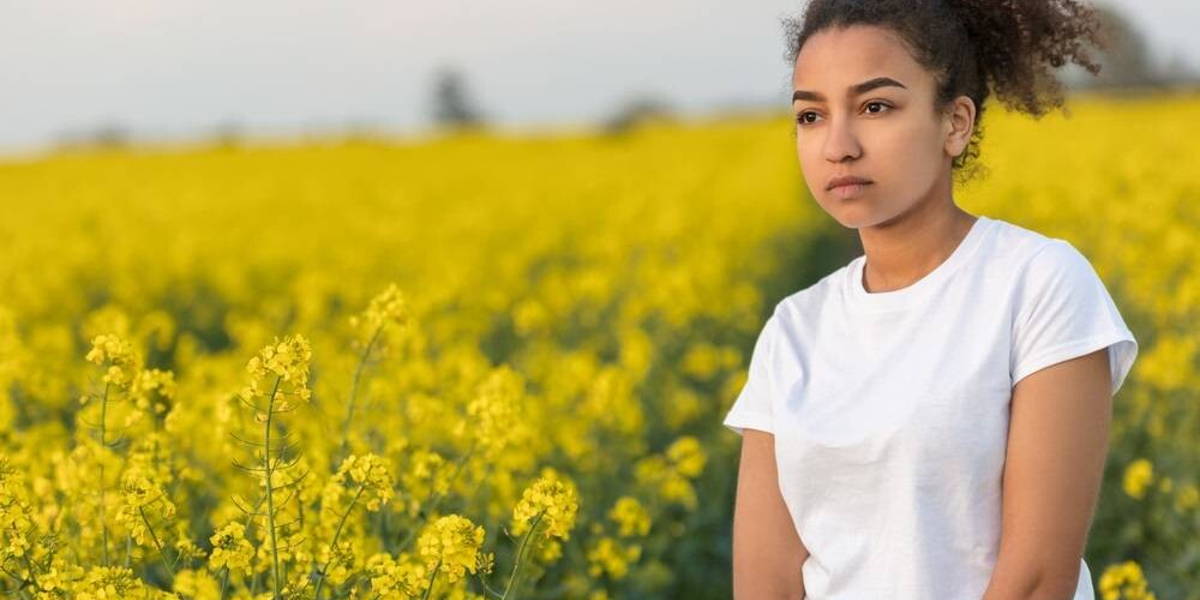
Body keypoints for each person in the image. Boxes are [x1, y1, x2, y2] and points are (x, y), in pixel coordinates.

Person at [722, 1, 1137, 599]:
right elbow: (766, 587)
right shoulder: (792, 331)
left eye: (875, 107)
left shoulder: (1039, 284)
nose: (838, 145)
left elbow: (1037, 581)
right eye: (811, 115)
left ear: (955, 123)